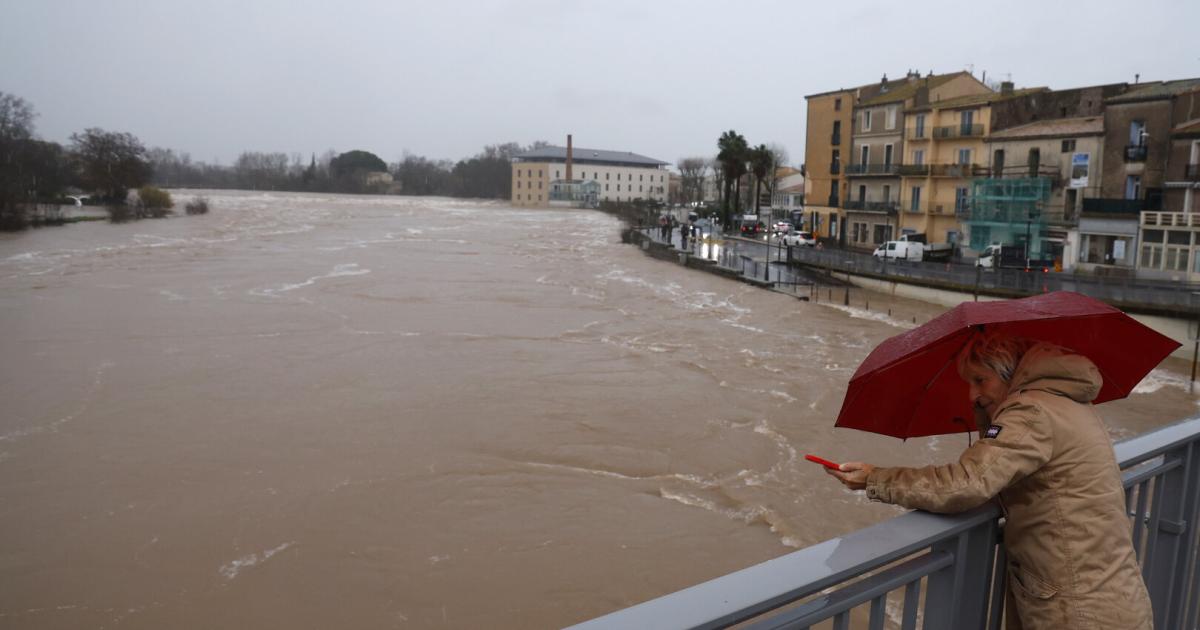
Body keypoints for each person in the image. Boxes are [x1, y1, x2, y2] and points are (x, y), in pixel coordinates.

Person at [827, 332, 1153, 630]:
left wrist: (876, 478)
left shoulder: (1030, 411)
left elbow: (966, 484)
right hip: (1111, 595)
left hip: (1076, 611)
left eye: (980, 380)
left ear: (1010, 373)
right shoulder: (1065, 401)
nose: (972, 394)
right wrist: (988, 413)